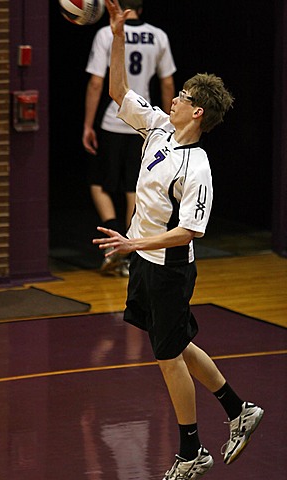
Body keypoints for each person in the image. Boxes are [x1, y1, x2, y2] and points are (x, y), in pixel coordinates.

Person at [93, 1, 264, 478]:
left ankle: (192, 453)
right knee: (179, 344)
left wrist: (132, 245)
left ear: (198, 110)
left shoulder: (198, 167)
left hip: (167, 267)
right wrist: (117, 32)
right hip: (144, 259)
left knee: (168, 357)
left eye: (182, 95)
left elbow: (191, 230)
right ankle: (239, 410)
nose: (173, 98)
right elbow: (119, 90)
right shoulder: (160, 128)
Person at [83, 0, 176, 276]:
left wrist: (88, 124)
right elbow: (168, 82)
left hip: (113, 120)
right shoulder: (158, 36)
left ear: (118, 6)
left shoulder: (106, 33)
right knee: (134, 189)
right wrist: (168, 126)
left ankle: (113, 244)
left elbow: (97, 82)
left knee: (98, 183)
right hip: (143, 123)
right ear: (142, 7)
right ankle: (126, 250)